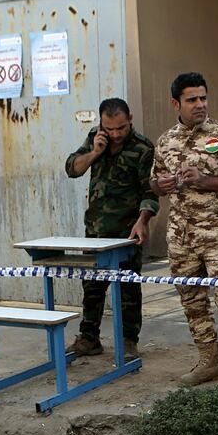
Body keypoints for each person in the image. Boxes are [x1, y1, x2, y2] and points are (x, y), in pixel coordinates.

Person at [149, 72, 218, 392]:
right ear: (176, 103)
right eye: (192, 99)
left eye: (203, 98)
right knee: (192, 301)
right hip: (181, 236)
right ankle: (209, 361)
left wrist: (203, 180)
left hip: (216, 235)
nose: (200, 104)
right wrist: (161, 185)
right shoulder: (165, 141)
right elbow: (154, 182)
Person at [65, 98, 158, 362]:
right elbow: (72, 169)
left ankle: (129, 341)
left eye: (121, 128)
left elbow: (149, 192)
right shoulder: (95, 137)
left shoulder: (143, 148)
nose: (116, 134)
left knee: (128, 289)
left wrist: (143, 221)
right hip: (96, 231)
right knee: (92, 286)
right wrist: (95, 152)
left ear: (130, 119)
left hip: (127, 233)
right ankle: (89, 338)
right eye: (110, 128)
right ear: (101, 124)